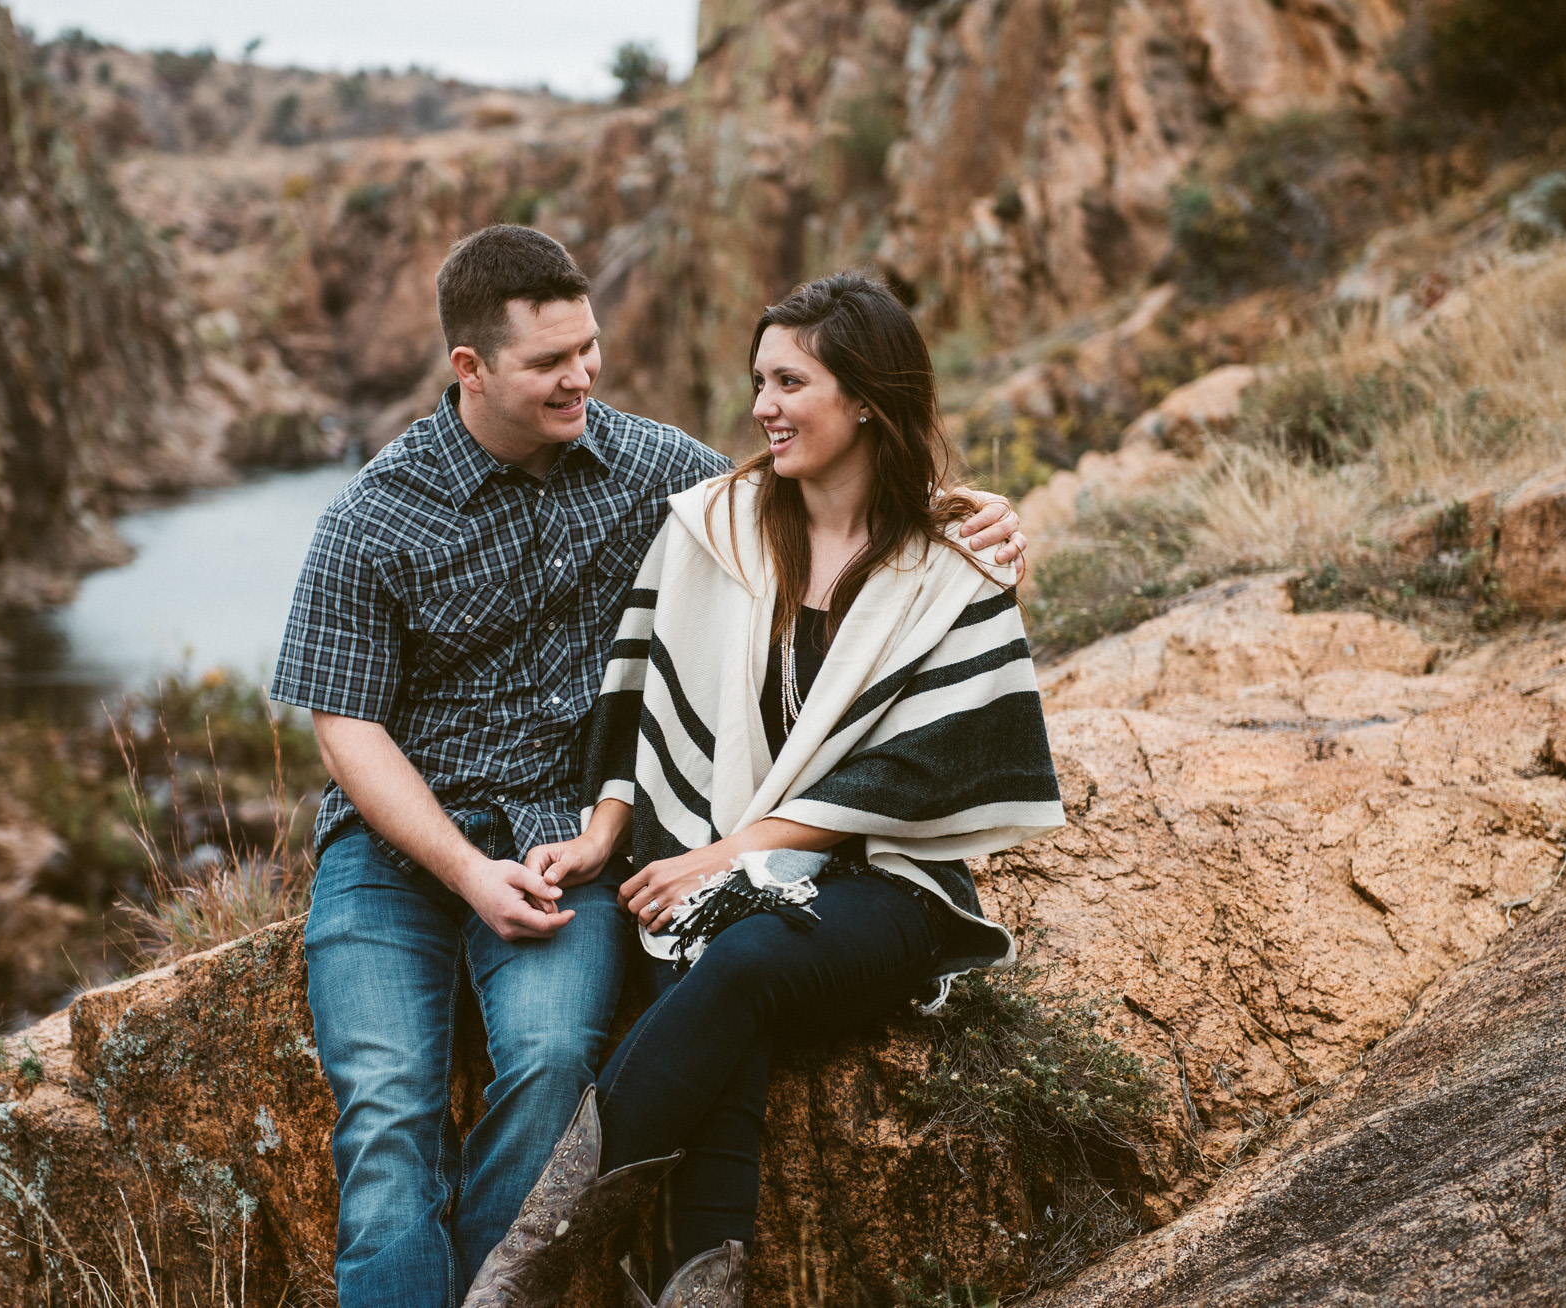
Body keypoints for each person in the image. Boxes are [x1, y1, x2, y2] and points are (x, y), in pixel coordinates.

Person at [269, 228, 1029, 1308]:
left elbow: (821, 503)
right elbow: (344, 726)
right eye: (548, 364)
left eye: (587, 349)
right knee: (387, 1107)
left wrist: (971, 512)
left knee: (545, 1065)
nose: (580, 377)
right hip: (395, 852)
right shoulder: (370, 518)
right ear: (469, 370)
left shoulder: (656, 470)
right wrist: (463, 870)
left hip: (563, 844)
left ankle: (506, 1288)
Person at [462, 271, 1066, 1308]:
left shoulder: (947, 565)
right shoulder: (716, 528)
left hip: (884, 886)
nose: (763, 408)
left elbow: (918, 773)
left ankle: (526, 1271)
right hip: (710, 866)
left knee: (733, 956)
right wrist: (611, 833)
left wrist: (728, 856)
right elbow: (638, 698)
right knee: (714, 988)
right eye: (757, 381)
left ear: (867, 396)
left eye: (790, 382)